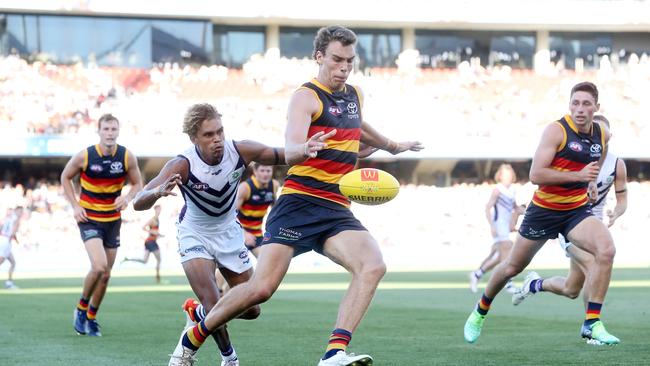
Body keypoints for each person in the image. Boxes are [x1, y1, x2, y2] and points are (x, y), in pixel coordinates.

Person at [168, 26, 423, 366]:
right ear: (319, 57)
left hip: (335, 207)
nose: (343, 67)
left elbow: (357, 128)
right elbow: (290, 150)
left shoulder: (354, 96)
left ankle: (334, 353)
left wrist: (392, 146)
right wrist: (306, 147)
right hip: (298, 203)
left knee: (373, 266)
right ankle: (194, 335)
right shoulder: (306, 97)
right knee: (260, 290)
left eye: (349, 60)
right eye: (336, 59)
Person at [133, 103, 293, 366]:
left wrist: (312, 149)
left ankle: (196, 313)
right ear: (194, 138)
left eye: (219, 131)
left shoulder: (239, 150)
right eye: (209, 135)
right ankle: (229, 358)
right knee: (213, 300)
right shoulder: (182, 164)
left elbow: (283, 154)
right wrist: (156, 191)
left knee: (252, 310)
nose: (217, 139)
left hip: (229, 233)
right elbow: (138, 201)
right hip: (194, 234)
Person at [463, 82, 620, 345]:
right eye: (575, 103)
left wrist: (591, 183)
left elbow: (600, 154)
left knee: (606, 250)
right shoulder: (556, 131)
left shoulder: (601, 134)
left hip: (575, 211)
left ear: (596, 107)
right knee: (512, 267)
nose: (580, 109)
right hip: (544, 211)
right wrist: (580, 175)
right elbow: (536, 174)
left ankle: (592, 322)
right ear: (570, 105)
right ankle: (480, 311)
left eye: (586, 104)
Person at [512, 115, 628, 337]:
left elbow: (622, 201)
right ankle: (591, 327)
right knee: (594, 264)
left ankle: (535, 284)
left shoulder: (616, 164)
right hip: (570, 221)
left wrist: (616, 213)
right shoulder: (576, 157)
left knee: (571, 289)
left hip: (592, 228)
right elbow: (546, 179)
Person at [61, 114, 143, 336]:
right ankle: (80, 308)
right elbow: (65, 177)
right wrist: (75, 206)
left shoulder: (126, 157)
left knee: (106, 275)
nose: (110, 133)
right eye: (106, 129)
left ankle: (91, 317)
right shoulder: (86, 156)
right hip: (89, 218)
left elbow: (138, 183)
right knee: (99, 266)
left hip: (113, 220)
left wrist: (127, 198)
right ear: (98, 131)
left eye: (113, 129)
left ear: (118, 131)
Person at [469, 164, 520, 294]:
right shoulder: (498, 190)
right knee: (508, 249)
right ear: (500, 176)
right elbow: (488, 208)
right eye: (505, 175)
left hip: (505, 226)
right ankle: (508, 284)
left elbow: (515, 208)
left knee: (497, 257)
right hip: (498, 224)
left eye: (509, 175)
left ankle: (476, 274)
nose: (508, 178)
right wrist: (492, 225)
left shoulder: (513, 190)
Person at [236, 163, 279, 258]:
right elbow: (231, 216)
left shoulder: (274, 185)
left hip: (256, 233)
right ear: (255, 171)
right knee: (233, 270)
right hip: (238, 233)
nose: (265, 174)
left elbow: (275, 210)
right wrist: (244, 234)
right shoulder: (245, 187)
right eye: (262, 170)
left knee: (267, 264)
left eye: (268, 171)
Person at [122, 204, 163, 283]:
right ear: (155, 210)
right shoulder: (153, 219)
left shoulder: (157, 219)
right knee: (159, 259)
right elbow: (143, 227)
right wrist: (153, 232)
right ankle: (158, 278)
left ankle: (128, 259)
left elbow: (155, 231)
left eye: (160, 209)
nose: (159, 211)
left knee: (144, 261)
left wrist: (158, 234)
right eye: (158, 209)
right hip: (150, 242)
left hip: (150, 241)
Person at [0, 206, 24, 289]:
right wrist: (16, 241)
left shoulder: (8, 217)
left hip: (3, 238)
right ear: (16, 211)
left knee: (13, 263)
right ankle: (9, 283)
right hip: (6, 241)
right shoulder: (16, 220)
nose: (21, 213)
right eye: (20, 211)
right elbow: (13, 232)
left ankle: (9, 283)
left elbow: (2, 227)